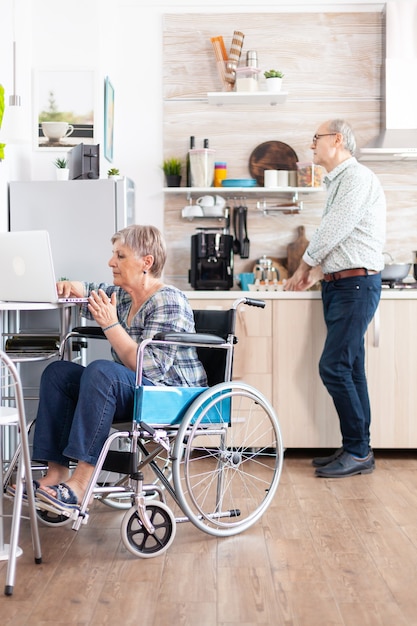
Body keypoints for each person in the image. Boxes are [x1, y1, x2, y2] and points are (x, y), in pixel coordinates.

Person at [31, 224, 208, 511]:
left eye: (120, 256)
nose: (111, 262)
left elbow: (150, 369)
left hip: (169, 397)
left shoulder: (168, 300)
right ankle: (55, 475)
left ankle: (80, 485)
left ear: (146, 262)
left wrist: (111, 325)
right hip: (132, 392)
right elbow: (88, 290)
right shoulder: (123, 295)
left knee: (102, 371)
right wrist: (69, 285)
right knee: (58, 373)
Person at [284, 119, 386, 478]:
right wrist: (314, 274)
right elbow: (341, 238)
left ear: (337, 140)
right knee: (351, 368)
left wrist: (303, 266)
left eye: (316, 138)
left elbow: (334, 229)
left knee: (334, 366)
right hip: (343, 287)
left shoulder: (356, 178)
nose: (312, 145)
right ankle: (357, 447)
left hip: (355, 287)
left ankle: (358, 450)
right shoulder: (342, 181)